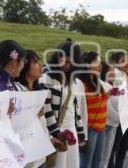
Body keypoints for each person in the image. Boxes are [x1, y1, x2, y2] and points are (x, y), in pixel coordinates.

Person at [15, 50, 67, 168]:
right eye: (36, 62)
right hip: (26, 159)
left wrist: (49, 138)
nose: (41, 65)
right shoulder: (18, 92)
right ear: (25, 66)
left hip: (40, 157)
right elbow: (16, 125)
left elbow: (40, 125)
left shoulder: (37, 91)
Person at [39, 40, 86, 168]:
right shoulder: (46, 78)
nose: (66, 65)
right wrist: (56, 133)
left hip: (72, 130)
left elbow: (75, 107)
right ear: (57, 56)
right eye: (63, 59)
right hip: (57, 131)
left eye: (71, 62)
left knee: (72, 165)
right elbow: (47, 110)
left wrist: (81, 131)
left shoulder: (73, 80)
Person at [78, 51, 109, 168]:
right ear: (87, 65)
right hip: (90, 128)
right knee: (86, 161)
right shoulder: (81, 84)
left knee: (98, 161)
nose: (101, 66)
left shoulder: (97, 82)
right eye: (97, 63)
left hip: (101, 127)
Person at [108, 51, 128, 168]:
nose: (127, 63)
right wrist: (127, 97)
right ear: (116, 62)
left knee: (125, 144)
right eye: (123, 61)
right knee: (114, 145)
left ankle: (119, 165)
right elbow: (114, 93)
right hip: (121, 113)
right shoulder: (114, 73)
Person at [100, 62, 119, 168]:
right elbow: (107, 108)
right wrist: (120, 117)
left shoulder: (112, 86)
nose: (113, 73)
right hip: (106, 124)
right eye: (110, 71)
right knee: (103, 157)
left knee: (107, 156)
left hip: (113, 124)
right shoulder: (102, 85)